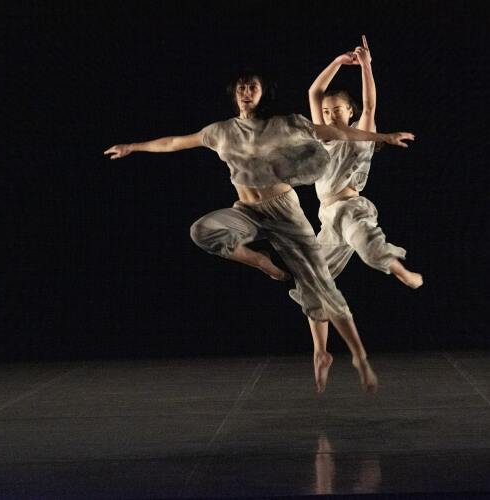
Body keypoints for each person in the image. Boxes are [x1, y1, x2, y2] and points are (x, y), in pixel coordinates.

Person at [104, 70, 414, 393]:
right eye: (241, 86)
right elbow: (174, 142)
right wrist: (132, 147)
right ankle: (262, 261)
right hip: (248, 213)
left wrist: (384, 137)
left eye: (253, 86)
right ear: (234, 93)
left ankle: (356, 358)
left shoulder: (282, 125)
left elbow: (340, 130)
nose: (246, 91)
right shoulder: (221, 131)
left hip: (284, 213)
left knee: (320, 283)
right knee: (203, 230)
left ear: (264, 92)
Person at [289, 37, 424, 386]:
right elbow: (314, 92)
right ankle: (322, 351)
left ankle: (399, 269)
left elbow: (369, 103)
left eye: (339, 110)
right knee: (311, 281)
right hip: (327, 220)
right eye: (328, 112)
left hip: (351, 208)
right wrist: (337, 60)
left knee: (365, 241)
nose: (332, 114)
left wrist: (366, 66)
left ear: (349, 113)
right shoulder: (324, 137)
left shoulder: (364, 135)